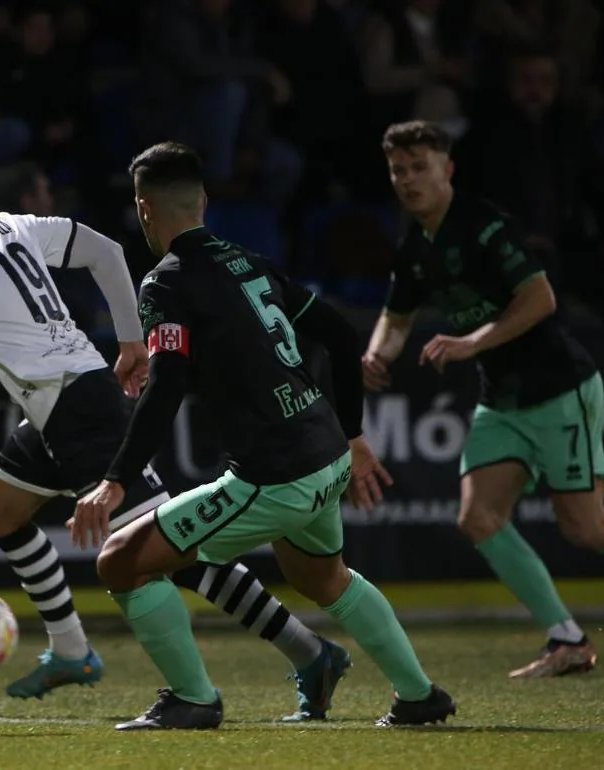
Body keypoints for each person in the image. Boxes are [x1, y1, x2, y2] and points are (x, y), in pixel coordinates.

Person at [0, 150, 346, 712]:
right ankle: (71, 649)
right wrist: (130, 339)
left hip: (74, 408)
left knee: (173, 555)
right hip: (63, 399)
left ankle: (307, 652)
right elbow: (107, 252)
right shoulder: (4, 223)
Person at [71, 142, 456, 731]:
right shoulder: (247, 262)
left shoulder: (166, 283)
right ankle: (419, 694)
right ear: (202, 201)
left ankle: (193, 700)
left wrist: (115, 482)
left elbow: (165, 387)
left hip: (274, 476)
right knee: (324, 578)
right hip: (325, 452)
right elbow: (342, 337)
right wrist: (352, 434)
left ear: (144, 210)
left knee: (121, 561)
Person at [366, 121, 604, 678]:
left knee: (587, 530)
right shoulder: (413, 248)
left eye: (419, 166)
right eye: (398, 170)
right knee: (478, 517)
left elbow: (540, 298)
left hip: (557, 388)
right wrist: (377, 354)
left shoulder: (485, 225)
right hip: (501, 401)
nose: (408, 179)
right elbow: (395, 319)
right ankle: (565, 639)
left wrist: (473, 341)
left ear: (447, 170)